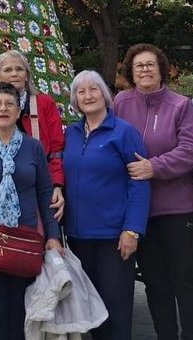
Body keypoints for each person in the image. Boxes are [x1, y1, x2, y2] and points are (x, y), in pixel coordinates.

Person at [113, 44, 193, 339]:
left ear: (161, 69)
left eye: (151, 64)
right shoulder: (120, 103)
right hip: (140, 213)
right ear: (131, 72)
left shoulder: (181, 105)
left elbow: (191, 150)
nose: (145, 70)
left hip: (178, 209)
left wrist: (155, 167)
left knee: (186, 282)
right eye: (139, 66)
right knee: (155, 283)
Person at [0, 82, 63, 340]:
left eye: (9, 104)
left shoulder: (33, 147)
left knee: (22, 316)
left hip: (27, 243)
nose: (3, 109)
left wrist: (53, 236)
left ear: (18, 112)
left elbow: (44, 193)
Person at [62, 70, 150, 340]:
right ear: (75, 100)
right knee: (91, 308)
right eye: (81, 91)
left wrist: (132, 230)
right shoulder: (71, 134)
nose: (88, 96)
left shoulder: (124, 133)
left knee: (116, 308)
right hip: (78, 237)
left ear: (105, 94)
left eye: (94, 89)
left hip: (115, 236)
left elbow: (140, 183)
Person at [0, 50, 65, 220]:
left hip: (40, 185)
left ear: (27, 75)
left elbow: (56, 150)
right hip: (1, 187)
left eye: (19, 69)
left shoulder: (44, 103)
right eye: (8, 70)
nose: (14, 74)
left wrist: (57, 185)